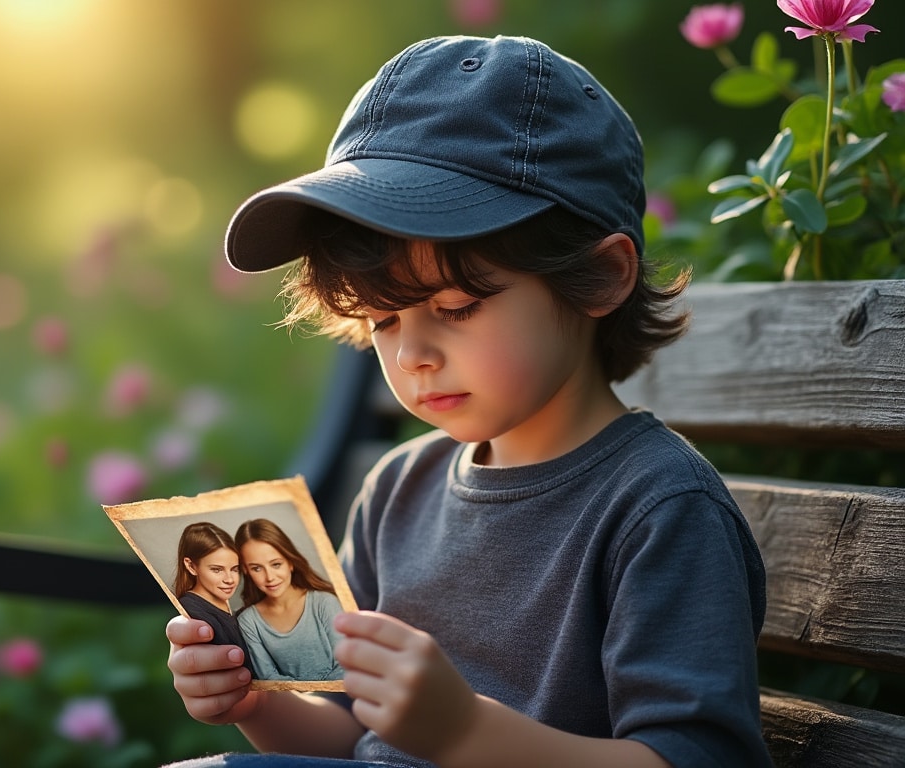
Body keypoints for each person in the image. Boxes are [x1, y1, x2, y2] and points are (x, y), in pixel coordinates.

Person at [164, 34, 769, 768]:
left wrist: (464, 735)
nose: (412, 354)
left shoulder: (658, 508)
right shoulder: (398, 491)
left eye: (455, 307)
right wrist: (259, 703)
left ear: (601, 278)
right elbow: (362, 737)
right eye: (382, 319)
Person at [234, 518, 345, 681]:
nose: (270, 577)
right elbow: (269, 678)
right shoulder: (248, 621)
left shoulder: (325, 603)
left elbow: (346, 665)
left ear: (290, 562)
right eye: (257, 568)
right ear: (245, 570)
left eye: (276, 564)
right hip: (290, 705)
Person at [174, 521, 253, 671]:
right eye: (217, 570)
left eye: (235, 569)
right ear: (191, 566)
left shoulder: (229, 606)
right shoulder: (193, 611)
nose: (229, 579)